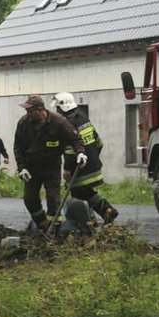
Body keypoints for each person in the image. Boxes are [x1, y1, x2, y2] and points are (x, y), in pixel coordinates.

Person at [13, 95, 87, 231]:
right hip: (31, 167)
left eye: (30, 110)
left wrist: (80, 152)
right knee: (29, 198)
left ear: (40, 110)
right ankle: (41, 224)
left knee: (53, 198)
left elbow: (76, 139)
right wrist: (22, 168)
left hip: (51, 166)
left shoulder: (58, 121)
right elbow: (18, 147)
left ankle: (54, 229)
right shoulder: (23, 122)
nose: (27, 113)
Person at [55, 92, 119, 224]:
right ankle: (97, 217)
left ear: (62, 107)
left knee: (79, 195)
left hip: (79, 167)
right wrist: (93, 158)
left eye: (57, 108)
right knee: (86, 193)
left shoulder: (68, 123)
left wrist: (67, 169)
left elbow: (70, 151)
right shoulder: (83, 118)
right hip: (92, 165)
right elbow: (98, 143)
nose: (56, 112)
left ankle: (103, 214)